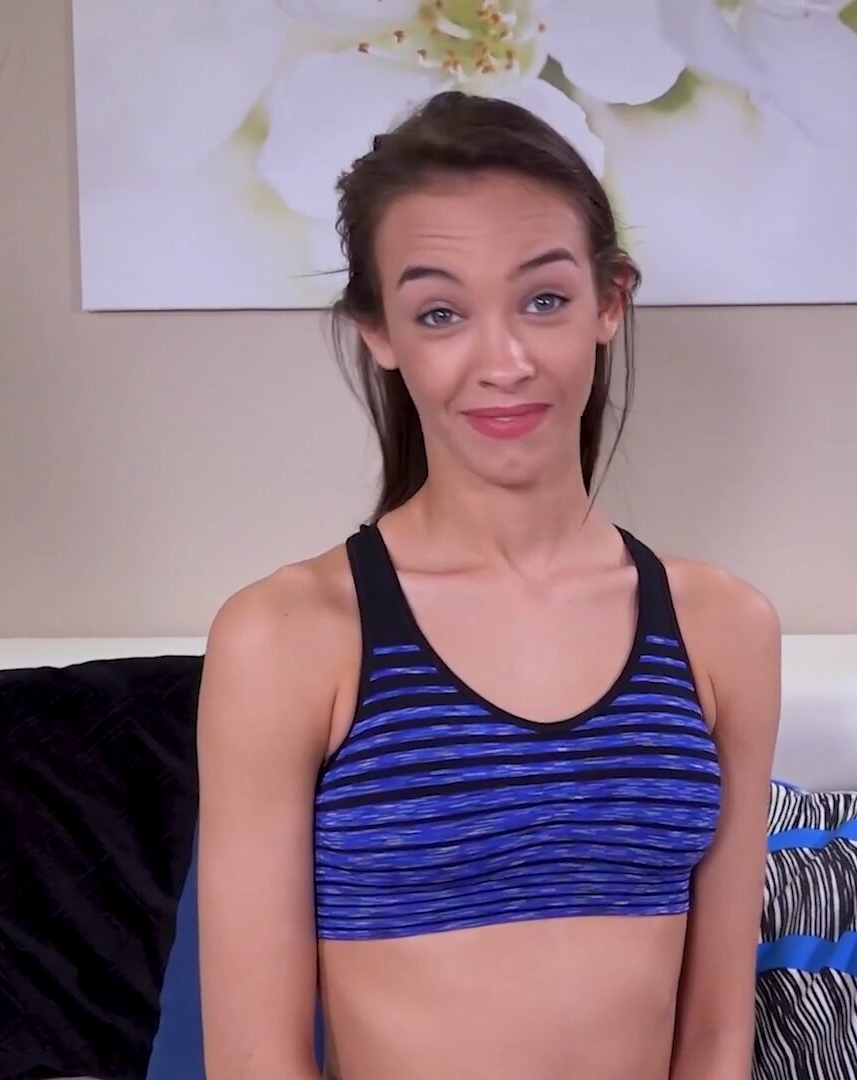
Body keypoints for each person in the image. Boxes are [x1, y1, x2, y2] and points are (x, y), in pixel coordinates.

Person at [193, 90, 783, 1080]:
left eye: (544, 300)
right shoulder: (288, 636)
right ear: (380, 333)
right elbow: (256, 1059)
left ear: (609, 302)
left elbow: (718, 1033)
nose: (503, 362)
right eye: (441, 313)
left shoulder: (723, 627)